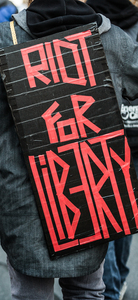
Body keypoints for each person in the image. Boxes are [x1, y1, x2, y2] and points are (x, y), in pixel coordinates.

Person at [0, 0, 138, 298]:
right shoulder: (112, 41)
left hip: (22, 203)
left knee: (30, 294)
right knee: (87, 291)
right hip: (87, 193)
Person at [85, 2, 138, 299]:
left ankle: (112, 284)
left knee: (105, 212)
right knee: (127, 209)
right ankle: (119, 274)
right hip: (136, 133)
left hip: (102, 133)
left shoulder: (90, 26)